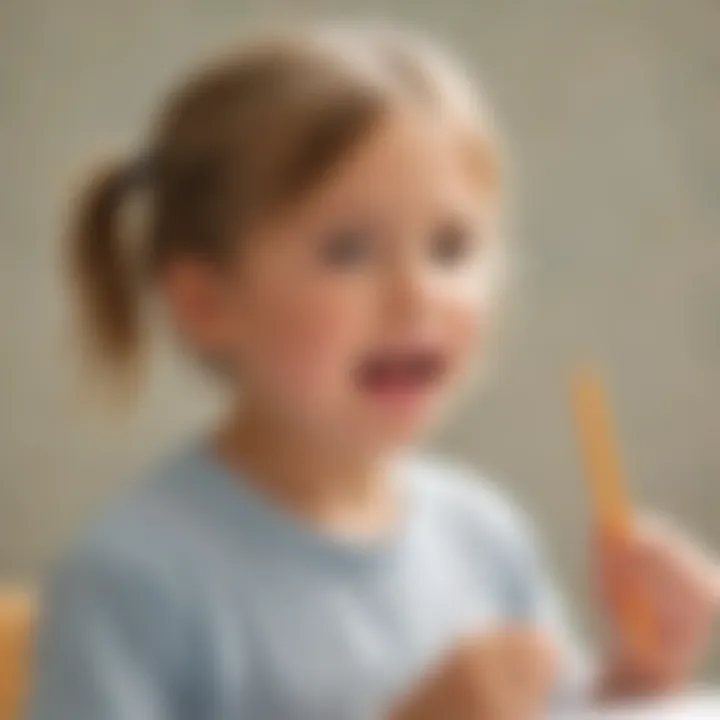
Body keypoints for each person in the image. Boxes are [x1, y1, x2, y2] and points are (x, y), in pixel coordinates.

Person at [30, 24, 718, 720]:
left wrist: (642, 675)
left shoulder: (485, 534)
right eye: (349, 250)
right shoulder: (130, 580)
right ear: (207, 303)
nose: (417, 293)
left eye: (450, 247)